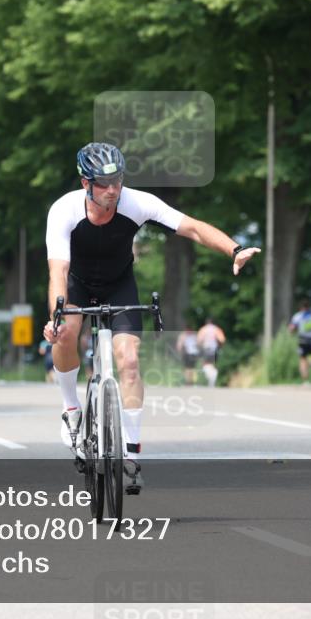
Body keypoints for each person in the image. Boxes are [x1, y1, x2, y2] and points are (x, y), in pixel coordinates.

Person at [42, 142, 261, 494]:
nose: (113, 189)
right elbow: (58, 270)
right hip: (76, 285)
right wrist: (56, 314)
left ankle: (131, 455)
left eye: (118, 180)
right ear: (86, 184)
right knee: (65, 332)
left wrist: (233, 249)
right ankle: (71, 409)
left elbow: (191, 227)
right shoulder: (63, 210)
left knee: (129, 361)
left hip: (119, 285)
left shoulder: (136, 202)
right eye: (104, 183)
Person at [288, 300, 311, 382]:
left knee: (302, 359)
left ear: (300, 308)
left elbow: (292, 328)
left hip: (302, 340)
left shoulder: (298, 316)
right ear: (308, 307)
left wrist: (291, 334)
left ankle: (305, 378)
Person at [197, 318, 227, 388]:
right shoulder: (216, 329)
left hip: (206, 349)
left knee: (205, 364)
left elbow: (199, 340)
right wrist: (219, 345)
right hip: (215, 349)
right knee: (212, 364)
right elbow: (222, 340)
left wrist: (200, 347)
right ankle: (213, 375)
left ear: (206, 323)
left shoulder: (203, 329)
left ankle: (212, 375)